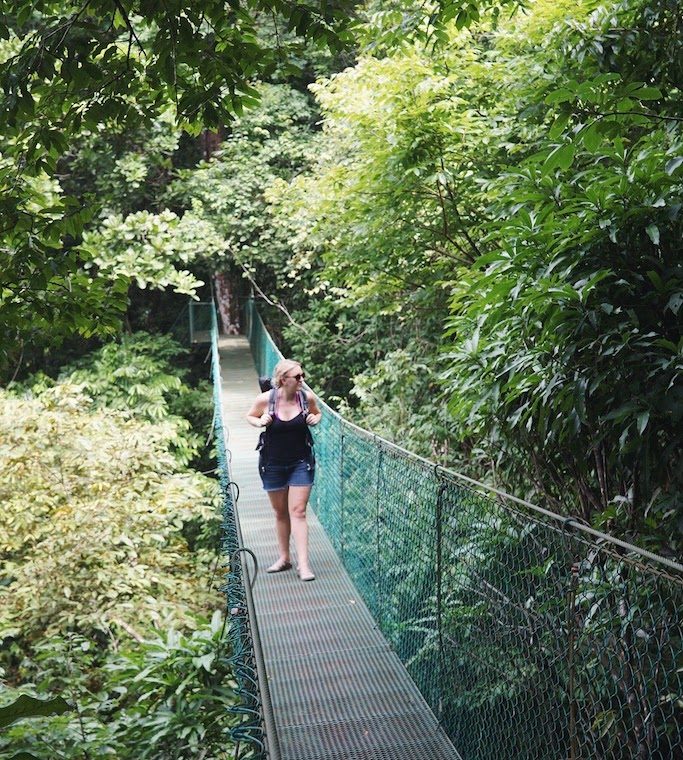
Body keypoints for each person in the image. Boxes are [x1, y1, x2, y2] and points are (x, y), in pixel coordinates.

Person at [246, 359, 322, 581]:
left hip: (301, 462)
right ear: (283, 380)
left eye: (302, 375)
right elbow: (250, 415)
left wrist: (314, 419)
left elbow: (317, 413)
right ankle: (284, 558)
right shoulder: (265, 401)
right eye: (297, 377)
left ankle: (304, 565)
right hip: (272, 463)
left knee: (298, 511)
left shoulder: (307, 398)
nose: (302, 380)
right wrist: (260, 422)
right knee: (280, 513)